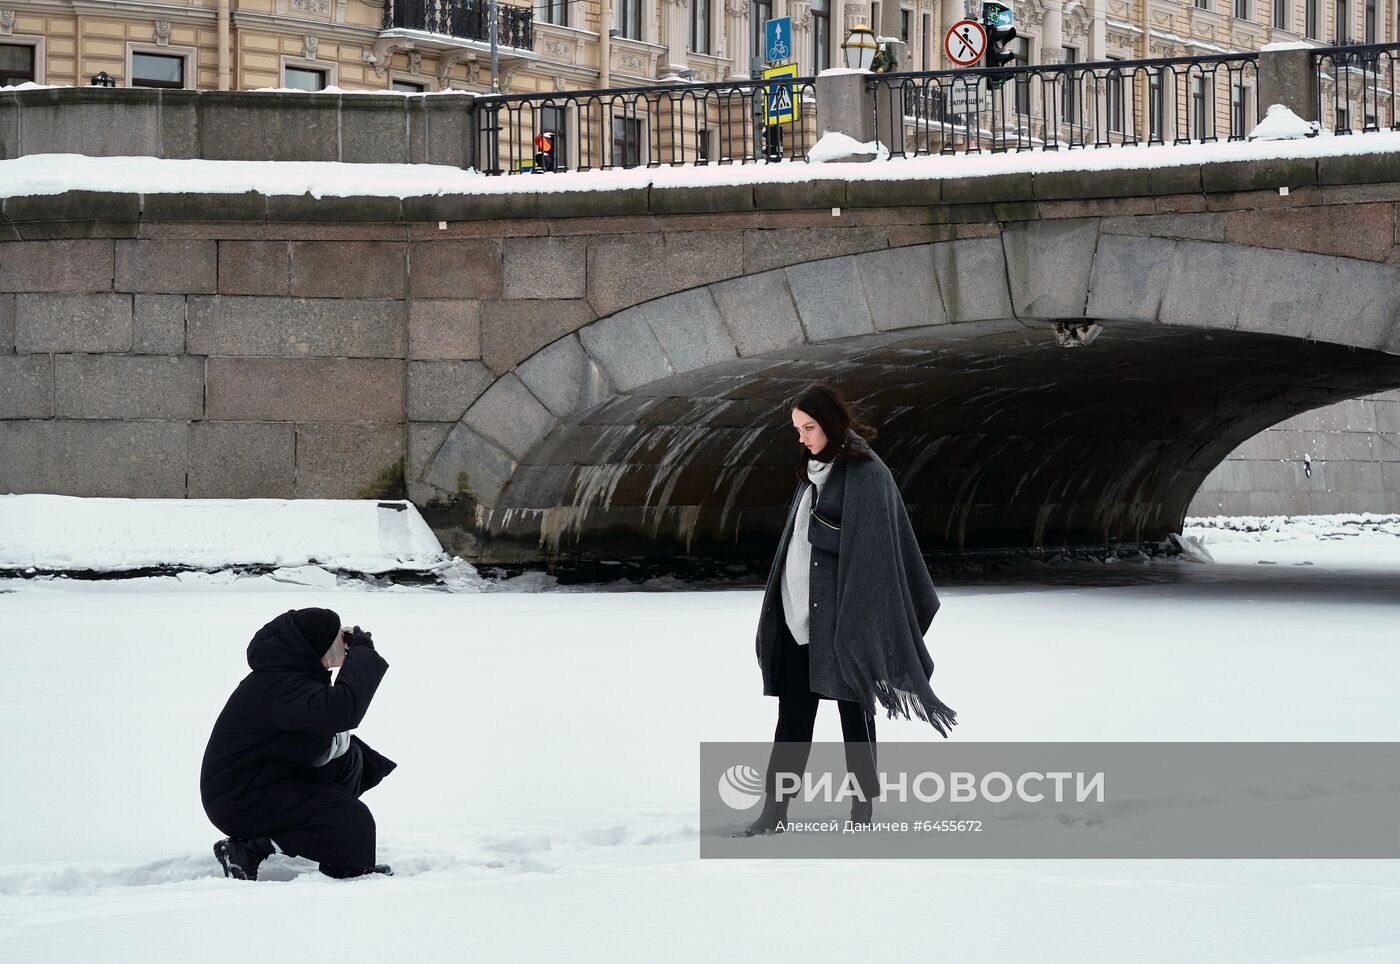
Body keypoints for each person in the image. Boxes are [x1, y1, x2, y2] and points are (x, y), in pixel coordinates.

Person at [741, 384, 957, 837]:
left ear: (831, 424)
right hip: (799, 620)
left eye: (809, 427)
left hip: (844, 624)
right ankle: (773, 814)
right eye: (797, 429)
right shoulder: (813, 471)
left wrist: (856, 613)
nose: (801, 437)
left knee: (855, 720)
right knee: (792, 721)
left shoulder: (867, 474)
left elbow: (878, 555)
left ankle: (862, 812)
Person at [200, 607, 396, 880]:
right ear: (315, 647)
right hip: (238, 798)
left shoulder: (291, 676)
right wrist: (362, 655)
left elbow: (330, 724)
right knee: (352, 821)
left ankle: (339, 847)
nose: (343, 642)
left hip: (261, 782)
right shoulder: (280, 685)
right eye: (337, 637)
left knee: (350, 759)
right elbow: (341, 710)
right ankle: (249, 848)